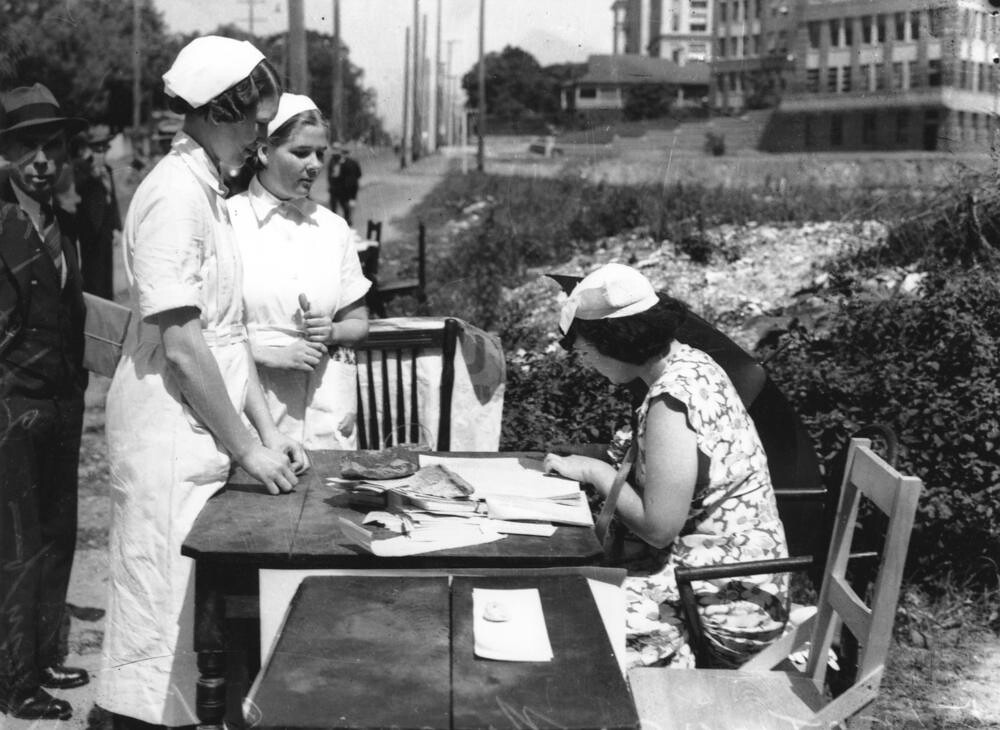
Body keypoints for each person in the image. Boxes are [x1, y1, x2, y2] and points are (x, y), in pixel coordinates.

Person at [97, 37, 307, 729]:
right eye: (257, 122)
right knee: (158, 608)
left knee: (195, 610)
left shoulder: (208, 192)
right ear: (221, 110)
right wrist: (248, 450)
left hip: (202, 421)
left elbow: (228, 335)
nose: (260, 137)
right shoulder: (171, 196)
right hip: (165, 426)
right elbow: (185, 348)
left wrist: (269, 431)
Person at [543, 263, 789, 669]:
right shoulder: (693, 363)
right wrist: (590, 455)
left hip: (724, 606)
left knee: (571, 624)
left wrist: (595, 472)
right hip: (730, 581)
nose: (587, 364)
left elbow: (659, 528)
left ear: (617, 341)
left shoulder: (671, 401)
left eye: (586, 352)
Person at [0, 83, 89, 721]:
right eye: (26, 148)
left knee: (60, 534)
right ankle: (17, 681)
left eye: (50, 148)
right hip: (10, 410)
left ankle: (50, 652)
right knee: (17, 546)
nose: (40, 161)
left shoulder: (64, 223)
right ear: (4, 155)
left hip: (62, 403)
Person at [229, 93, 371, 449]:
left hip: (325, 414)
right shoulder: (226, 221)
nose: (315, 164)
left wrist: (334, 329)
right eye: (301, 152)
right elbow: (203, 332)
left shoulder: (333, 228)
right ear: (263, 151)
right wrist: (268, 353)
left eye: (320, 153)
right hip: (252, 413)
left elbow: (359, 322)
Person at [71, 123, 121, 300]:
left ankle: (107, 300)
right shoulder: (82, 167)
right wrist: (92, 174)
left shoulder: (107, 169)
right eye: (97, 149)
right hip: (90, 226)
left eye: (103, 149)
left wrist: (116, 227)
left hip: (105, 226)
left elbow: (112, 199)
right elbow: (77, 187)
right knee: (92, 269)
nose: (101, 153)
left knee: (106, 268)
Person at [326, 143, 361, 225]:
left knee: (344, 209)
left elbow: (354, 178)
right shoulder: (333, 162)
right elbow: (330, 175)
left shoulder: (347, 163)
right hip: (336, 189)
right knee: (336, 209)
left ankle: (347, 224)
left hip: (343, 190)